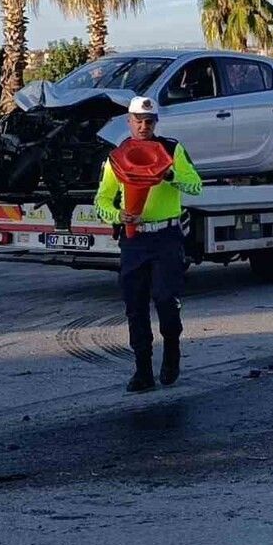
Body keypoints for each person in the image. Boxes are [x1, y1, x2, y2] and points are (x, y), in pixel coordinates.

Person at [94, 96, 203, 393]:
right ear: (128, 122)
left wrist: (171, 175)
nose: (143, 126)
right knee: (135, 304)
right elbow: (101, 200)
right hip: (135, 238)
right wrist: (118, 215)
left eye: (149, 121)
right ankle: (142, 370)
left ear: (156, 122)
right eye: (138, 121)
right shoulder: (117, 157)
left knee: (166, 299)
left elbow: (196, 185)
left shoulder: (172, 149)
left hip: (166, 237)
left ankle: (171, 353)